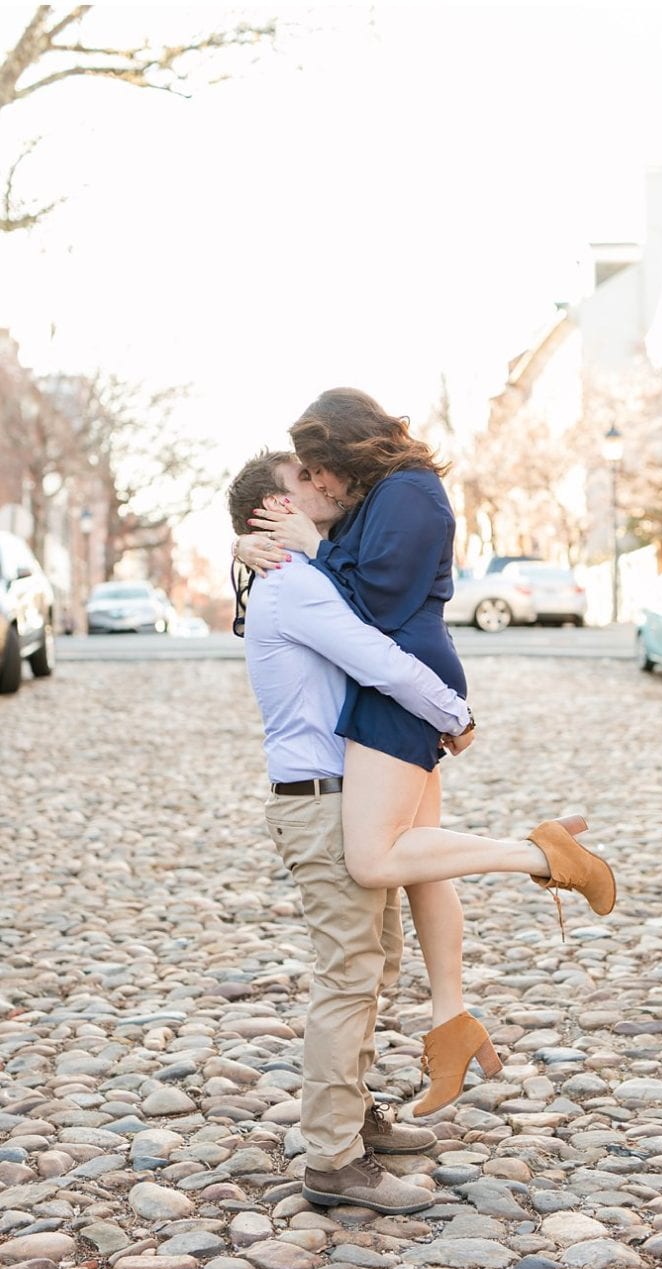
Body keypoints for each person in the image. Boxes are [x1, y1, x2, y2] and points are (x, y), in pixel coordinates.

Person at [236, 389, 616, 1116]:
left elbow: (369, 608)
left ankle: (540, 854)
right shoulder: (374, 495)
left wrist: (310, 547)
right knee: (422, 865)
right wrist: (246, 542)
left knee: (375, 858)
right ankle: (451, 1026)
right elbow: (316, 558)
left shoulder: (412, 497)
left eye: (319, 471)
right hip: (398, 682)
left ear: (347, 451)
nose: (315, 487)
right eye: (306, 478)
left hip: (403, 684)